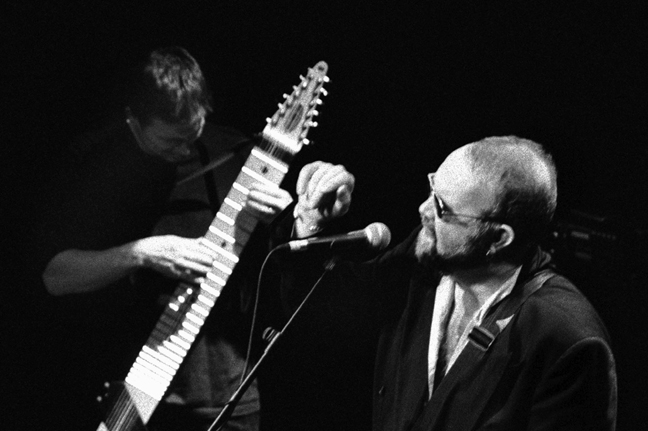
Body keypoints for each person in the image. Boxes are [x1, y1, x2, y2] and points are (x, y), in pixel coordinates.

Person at [32, 46, 293, 431]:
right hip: (134, 391)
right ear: (134, 121)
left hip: (229, 390)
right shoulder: (93, 169)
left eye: (194, 132)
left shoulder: (239, 153)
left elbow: (279, 264)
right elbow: (54, 277)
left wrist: (291, 216)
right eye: (171, 141)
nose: (185, 150)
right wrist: (142, 253)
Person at [276, 136, 617, 430]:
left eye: (441, 206)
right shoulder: (424, 258)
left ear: (498, 238)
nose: (423, 210)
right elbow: (324, 315)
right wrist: (310, 221)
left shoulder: (567, 340)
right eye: (432, 188)